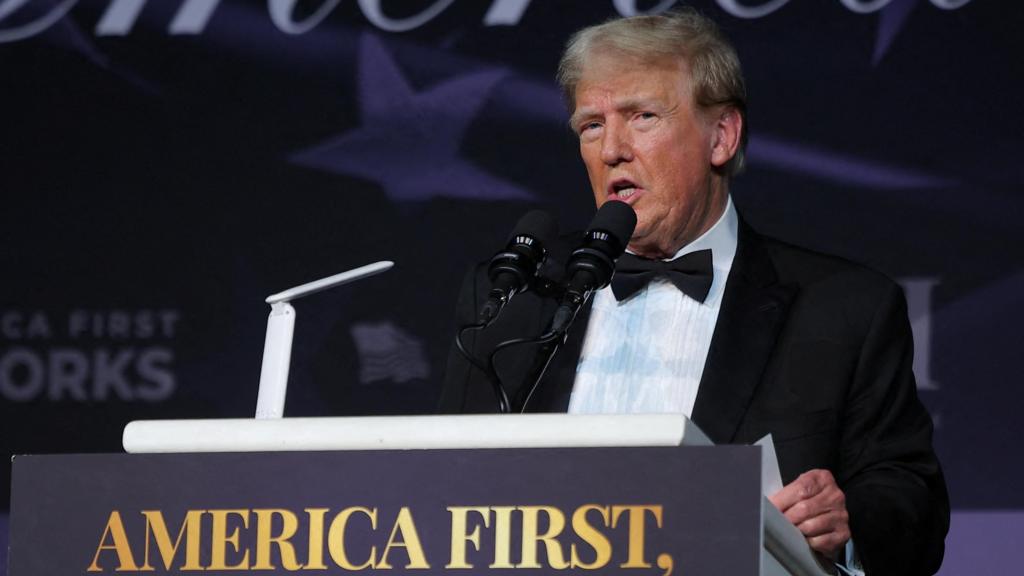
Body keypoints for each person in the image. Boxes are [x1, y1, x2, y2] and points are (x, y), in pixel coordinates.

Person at [440, 9, 948, 575]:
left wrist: (847, 519)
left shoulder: (842, 306)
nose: (612, 149)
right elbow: (447, 496)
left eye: (643, 117)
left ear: (721, 136)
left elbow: (911, 501)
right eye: (591, 125)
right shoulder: (517, 295)